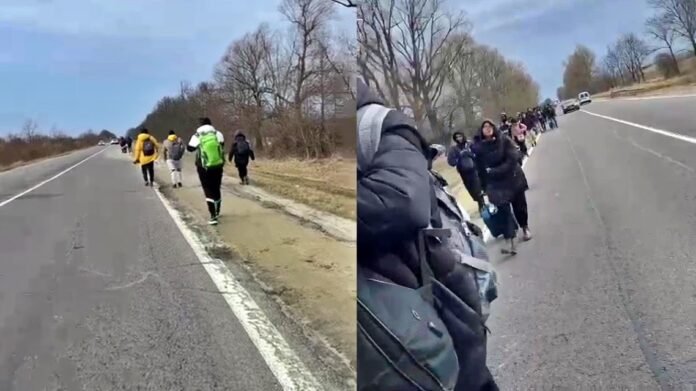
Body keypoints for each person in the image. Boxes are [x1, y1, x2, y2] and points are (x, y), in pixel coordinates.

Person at [357, 78, 498, 391]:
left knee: (464, 379)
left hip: (431, 303)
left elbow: (403, 203)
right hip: (381, 329)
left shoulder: (379, 126)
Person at [475, 120, 532, 255]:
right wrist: (483, 187)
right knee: (503, 211)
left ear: (494, 128)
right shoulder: (479, 148)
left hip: (513, 177)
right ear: (481, 131)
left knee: (520, 207)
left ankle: (524, 227)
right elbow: (480, 169)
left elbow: (512, 159)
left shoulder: (504, 140)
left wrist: (494, 171)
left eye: (490, 126)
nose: (487, 129)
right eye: (485, 127)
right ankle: (510, 241)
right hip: (495, 185)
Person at [186, 117, 225, 225]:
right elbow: (222, 145)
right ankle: (217, 211)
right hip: (218, 165)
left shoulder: (197, 136)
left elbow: (189, 148)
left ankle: (213, 216)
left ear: (200, 125)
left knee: (207, 189)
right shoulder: (218, 134)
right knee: (216, 187)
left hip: (203, 166)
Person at [447, 131, 484, 209]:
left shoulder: (470, 144)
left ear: (463, 136)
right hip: (464, 173)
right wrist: (459, 157)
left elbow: (479, 154)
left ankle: (481, 204)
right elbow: (451, 162)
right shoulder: (454, 149)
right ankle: (478, 200)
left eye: (460, 136)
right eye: (456, 137)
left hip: (474, 170)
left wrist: (470, 154)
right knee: (471, 190)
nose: (459, 138)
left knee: (477, 188)